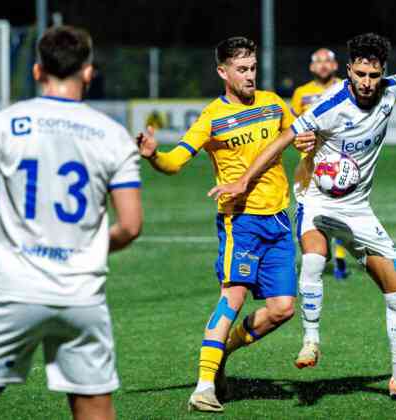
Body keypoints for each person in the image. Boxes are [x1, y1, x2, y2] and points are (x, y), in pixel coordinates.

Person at [208, 32, 396, 403]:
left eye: (374, 75)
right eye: (360, 74)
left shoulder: (390, 90)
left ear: (382, 73)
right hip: (317, 200)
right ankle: (310, 341)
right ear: (348, 71)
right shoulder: (331, 105)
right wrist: (245, 179)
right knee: (313, 256)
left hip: (358, 210)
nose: (367, 83)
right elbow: (283, 139)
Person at [136, 36, 314, 413]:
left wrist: (308, 143)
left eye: (252, 68)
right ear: (223, 72)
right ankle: (203, 388)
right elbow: (175, 162)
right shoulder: (211, 118)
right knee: (232, 298)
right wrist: (154, 157)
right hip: (241, 223)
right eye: (242, 69)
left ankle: (222, 354)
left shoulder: (273, 103)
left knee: (282, 309)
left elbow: (297, 141)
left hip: (279, 221)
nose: (250, 76)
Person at [0, 25, 142, 420]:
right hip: (81, 293)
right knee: (94, 406)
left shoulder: (5, 124)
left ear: (38, 71)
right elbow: (129, 226)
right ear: (88, 72)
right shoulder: (113, 135)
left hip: (12, 288)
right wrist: (86, 247)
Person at [291, 48, 350, 286]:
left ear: (335, 65)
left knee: (340, 210)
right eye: (318, 62)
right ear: (312, 67)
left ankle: (340, 258)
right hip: (309, 163)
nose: (323, 65)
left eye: (328, 61)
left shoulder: (346, 87)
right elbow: (293, 127)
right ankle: (317, 253)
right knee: (310, 211)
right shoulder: (301, 93)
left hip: (340, 160)